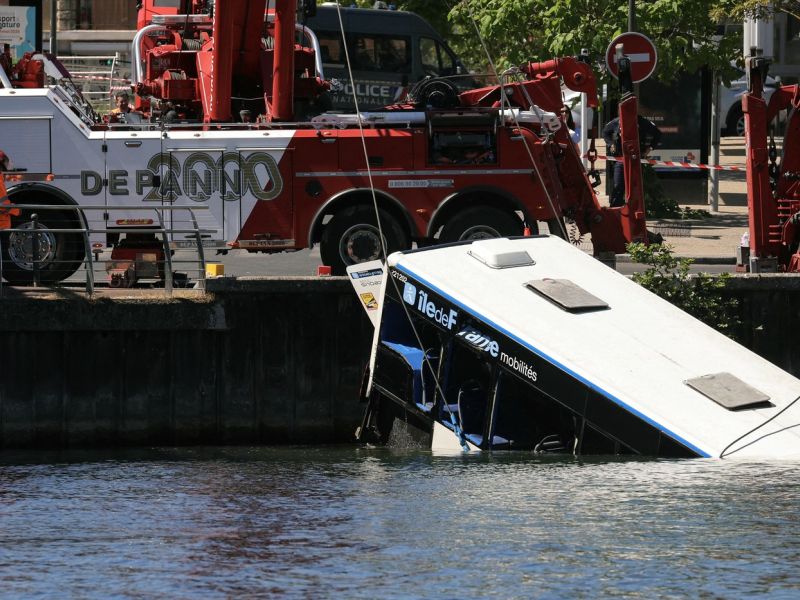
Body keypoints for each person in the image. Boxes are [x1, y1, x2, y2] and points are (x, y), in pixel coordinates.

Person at [602, 115, 661, 208]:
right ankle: (616, 210)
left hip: (636, 160)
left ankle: (635, 210)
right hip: (620, 159)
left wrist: (649, 148)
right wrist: (611, 144)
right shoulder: (617, 121)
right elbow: (605, 132)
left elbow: (658, 134)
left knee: (635, 187)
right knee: (618, 186)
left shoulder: (642, 121)